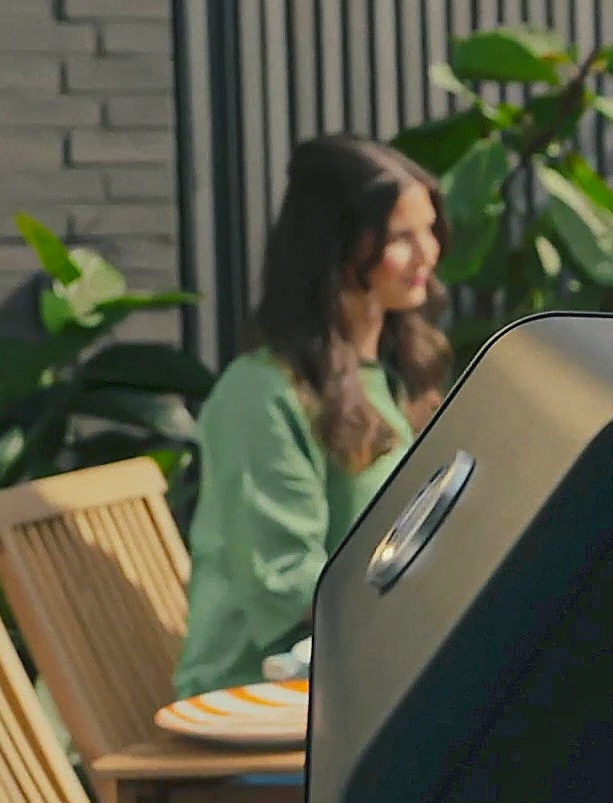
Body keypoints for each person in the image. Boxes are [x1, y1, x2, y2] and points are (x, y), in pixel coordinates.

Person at [175, 135, 452, 697]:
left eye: (429, 229)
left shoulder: (400, 375)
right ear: (336, 247)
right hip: (259, 696)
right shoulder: (259, 393)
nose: (429, 252)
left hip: (364, 680)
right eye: (402, 236)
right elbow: (286, 584)